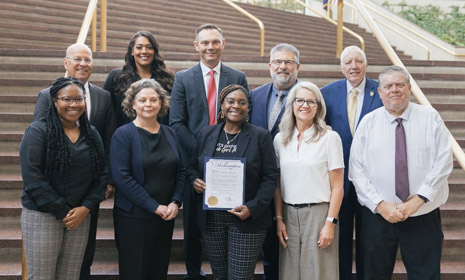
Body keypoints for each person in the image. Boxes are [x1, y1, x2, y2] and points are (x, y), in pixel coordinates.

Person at [349, 66, 452, 280]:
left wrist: (419, 198)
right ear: (379, 92)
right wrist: (379, 204)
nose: (394, 90)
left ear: (409, 88)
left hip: (422, 213)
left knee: (426, 275)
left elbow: (443, 161)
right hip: (379, 216)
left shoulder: (430, 117)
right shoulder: (368, 123)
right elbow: (356, 171)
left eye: (399, 85)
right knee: (373, 275)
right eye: (388, 86)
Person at [169, 23, 248, 280]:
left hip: (231, 164)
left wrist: (225, 154)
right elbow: (177, 123)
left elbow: (246, 118)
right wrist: (204, 153)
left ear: (223, 44)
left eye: (215, 42)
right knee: (193, 225)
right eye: (205, 42)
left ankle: (227, 270)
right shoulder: (183, 78)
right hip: (195, 163)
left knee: (227, 221)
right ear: (196, 46)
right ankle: (193, 273)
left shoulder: (238, 77)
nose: (210, 47)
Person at [32, 43, 115, 280]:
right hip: (53, 190)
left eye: (87, 60)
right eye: (77, 59)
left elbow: (108, 140)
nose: (83, 64)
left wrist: (107, 180)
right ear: (66, 63)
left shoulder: (103, 96)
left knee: (83, 253)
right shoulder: (47, 95)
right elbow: (38, 143)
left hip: (88, 192)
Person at [20, 77, 107, 279]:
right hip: (43, 214)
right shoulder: (38, 132)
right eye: (67, 99)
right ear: (54, 101)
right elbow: (33, 178)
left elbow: (102, 175)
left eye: (79, 99)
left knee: (70, 275)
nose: (73, 105)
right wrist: (63, 211)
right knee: (42, 276)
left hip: (80, 216)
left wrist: (85, 208)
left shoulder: (91, 133)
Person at [189, 84, 278, 280]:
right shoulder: (206, 134)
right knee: (220, 275)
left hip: (246, 217)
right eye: (230, 101)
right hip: (213, 218)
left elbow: (271, 177)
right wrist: (195, 181)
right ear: (221, 105)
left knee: (240, 277)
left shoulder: (260, 136)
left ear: (248, 108)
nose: (236, 106)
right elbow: (192, 168)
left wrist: (252, 208)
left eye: (242, 102)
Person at [110, 79, 185, 279]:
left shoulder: (170, 133)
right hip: (134, 217)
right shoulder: (123, 134)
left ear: (161, 103)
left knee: (158, 271)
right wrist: (154, 206)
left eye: (153, 100)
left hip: (165, 216)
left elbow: (182, 171)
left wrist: (175, 202)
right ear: (132, 104)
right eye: (142, 100)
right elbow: (122, 177)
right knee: (135, 272)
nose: (148, 104)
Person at [320, 45, 383, 280]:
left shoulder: (381, 90)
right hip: (339, 181)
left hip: (372, 180)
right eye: (348, 62)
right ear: (341, 67)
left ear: (366, 65)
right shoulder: (326, 93)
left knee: (370, 242)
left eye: (358, 61)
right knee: (340, 241)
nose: (354, 66)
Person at [273, 81, 344, 280]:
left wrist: (330, 222)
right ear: (292, 105)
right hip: (288, 213)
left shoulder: (330, 138)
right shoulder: (280, 140)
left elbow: (338, 186)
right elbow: (277, 185)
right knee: (290, 273)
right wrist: (279, 219)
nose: (305, 105)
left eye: (311, 101)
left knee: (320, 273)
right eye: (300, 100)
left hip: (319, 213)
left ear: (318, 107)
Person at [249, 43, 300, 280]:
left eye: (288, 62)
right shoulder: (255, 96)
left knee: (292, 245)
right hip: (260, 182)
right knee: (269, 244)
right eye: (278, 62)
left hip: (294, 184)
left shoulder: (307, 96)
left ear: (297, 67)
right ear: (270, 66)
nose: (282, 66)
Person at [103, 30, 175, 127]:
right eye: (139, 47)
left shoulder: (168, 79)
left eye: (149, 47)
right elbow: (105, 112)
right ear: (132, 51)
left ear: (155, 51)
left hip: (160, 137)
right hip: (125, 137)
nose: (144, 52)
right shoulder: (116, 77)